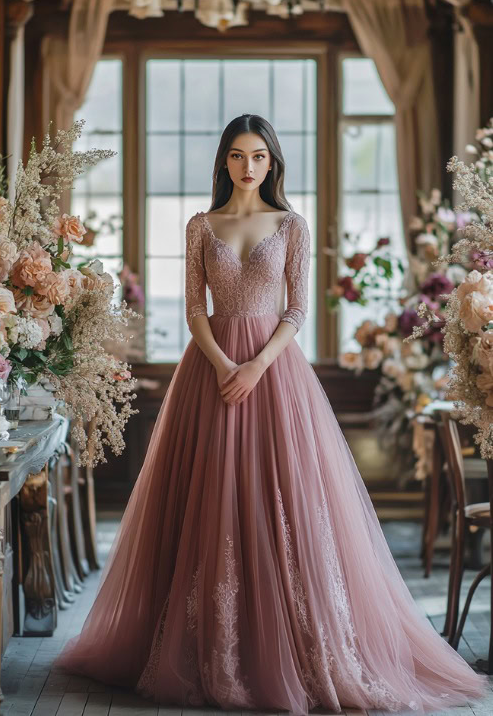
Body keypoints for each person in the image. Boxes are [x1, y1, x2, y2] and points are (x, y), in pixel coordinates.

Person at [55, 113, 487, 715]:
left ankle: (287, 642)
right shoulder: (200, 225)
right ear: (224, 161)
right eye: (237, 155)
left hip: (275, 373)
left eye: (259, 156)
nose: (248, 167)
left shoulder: (292, 225)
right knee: (206, 500)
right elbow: (193, 310)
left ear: (272, 162)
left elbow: (297, 310)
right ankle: (201, 644)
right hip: (208, 372)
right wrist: (223, 365)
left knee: (279, 499)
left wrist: (255, 367)